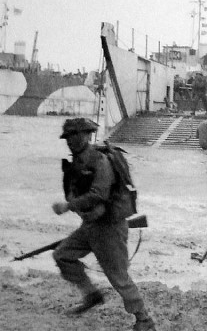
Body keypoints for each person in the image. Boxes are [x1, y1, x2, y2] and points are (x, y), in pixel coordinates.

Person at [51, 118, 155, 331]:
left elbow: (99, 194)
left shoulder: (100, 161)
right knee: (62, 255)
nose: (71, 140)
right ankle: (91, 295)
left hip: (109, 227)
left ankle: (144, 320)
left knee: (119, 278)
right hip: (90, 226)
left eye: (76, 136)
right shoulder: (77, 162)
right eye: (69, 137)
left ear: (87, 136)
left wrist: (68, 206)